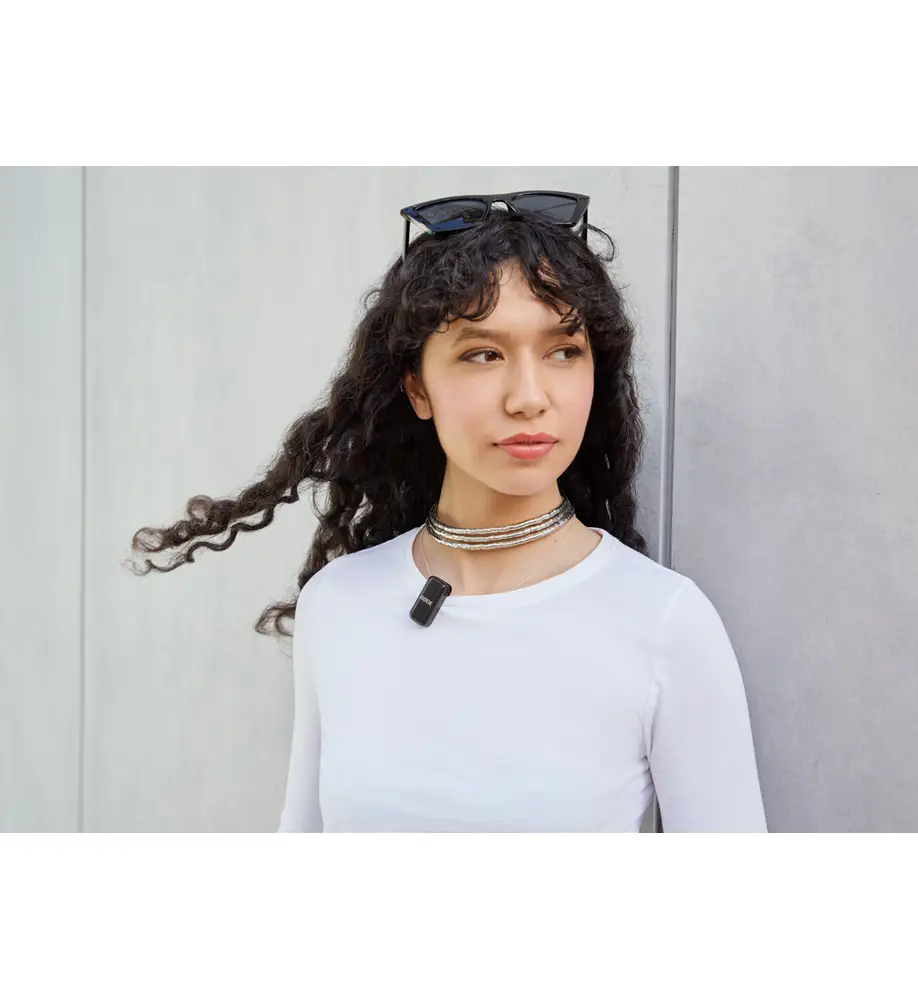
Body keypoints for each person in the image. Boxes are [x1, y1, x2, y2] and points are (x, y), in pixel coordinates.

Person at [128, 190, 768, 832]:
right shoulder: (339, 603)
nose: (528, 397)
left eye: (563, 351)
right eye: (483, 354)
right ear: (417, 387)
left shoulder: (664, 622)